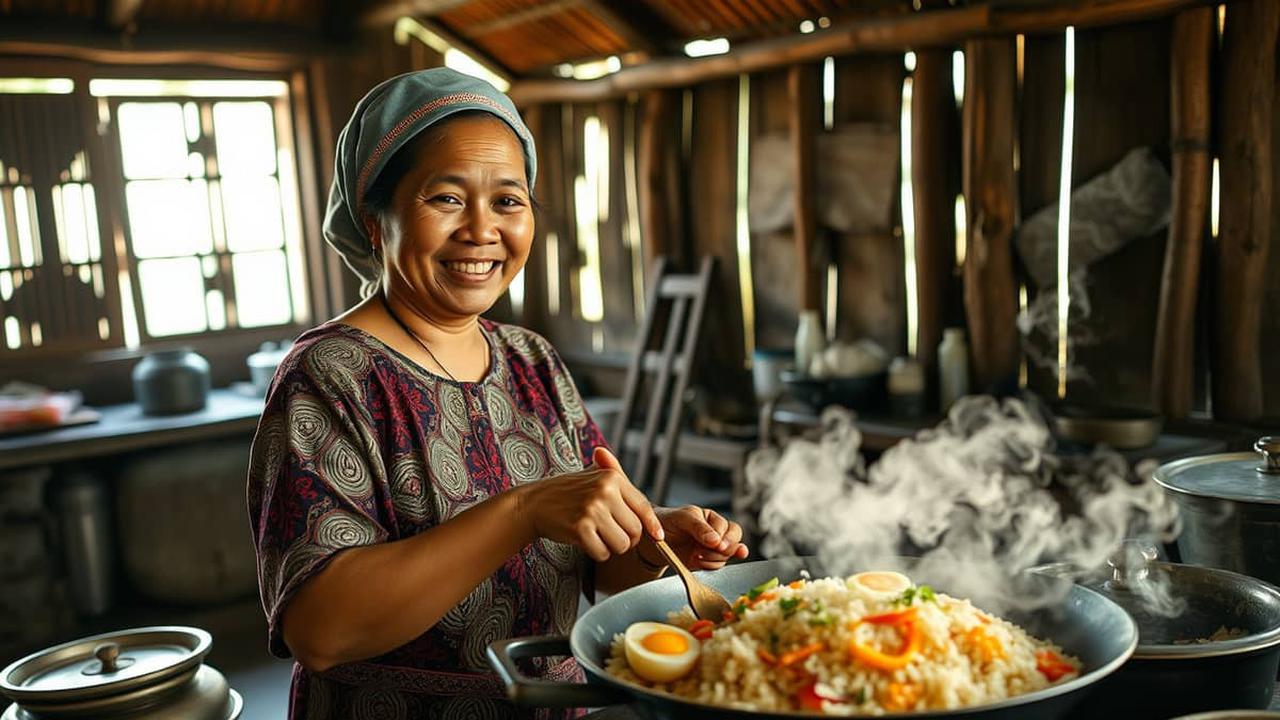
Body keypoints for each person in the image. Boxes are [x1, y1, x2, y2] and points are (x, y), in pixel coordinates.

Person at [246, 67, 748, 720]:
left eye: (508, 201)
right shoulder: (332, 376)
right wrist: (522, 511)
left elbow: (585, 560)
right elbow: (321, 630)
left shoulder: (529, 358)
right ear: (375, 219)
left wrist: (652, 547)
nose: (482, 229)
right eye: (446, 198)